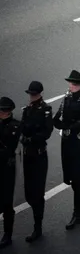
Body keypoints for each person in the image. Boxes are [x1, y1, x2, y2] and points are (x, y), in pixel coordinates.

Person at [52, 70, 80, 230]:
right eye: (71, 83)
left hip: (78, 141)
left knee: (78, 178)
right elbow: (57, 118)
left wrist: (70, 127)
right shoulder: (66, 99)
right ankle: (76, 208)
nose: (72, 86)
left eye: (75, 84)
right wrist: (61, 127)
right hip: (67, 141)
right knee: (69, 175)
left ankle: (77, 212)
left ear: (79, 85)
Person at [20, 81, 53, 242]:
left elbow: (46, 132)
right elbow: (23, 128)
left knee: (37, 193)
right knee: (28, 192)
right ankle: (36, 220)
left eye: (33, 94)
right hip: (28, 155)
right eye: (30, 94)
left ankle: (37, 226)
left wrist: (31, 138)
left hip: (39, 155)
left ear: (39, 94)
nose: (31, 97)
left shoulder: (45, 110)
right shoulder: (27, 110)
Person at [0, 97, 21, 249]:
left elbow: (9, 149)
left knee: (7, 202)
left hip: (6, 168)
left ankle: (8, 234)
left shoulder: (14, 126)